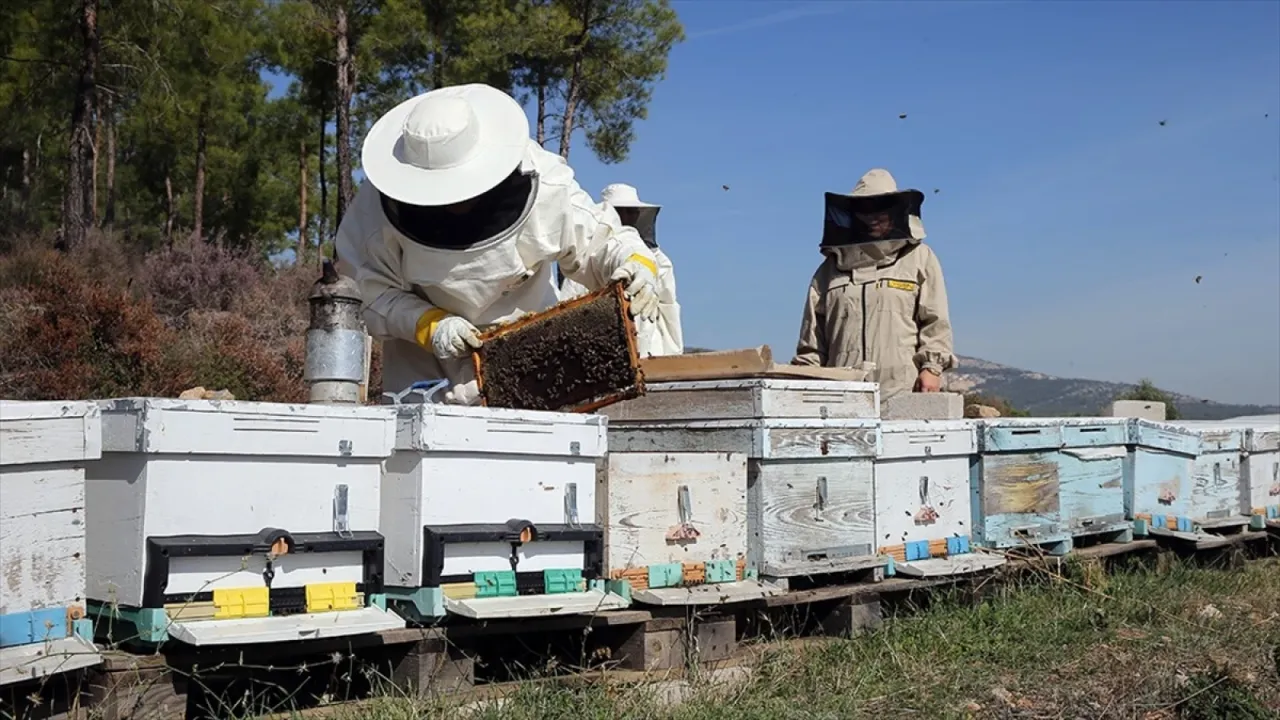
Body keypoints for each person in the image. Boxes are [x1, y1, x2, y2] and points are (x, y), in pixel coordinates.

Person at [335, 84, 661, 404]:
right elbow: (367, 291)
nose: (454, 201)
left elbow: (600, 242)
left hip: (535, 362)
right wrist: (428, 325)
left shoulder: (545, 184)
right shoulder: (374, 213)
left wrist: (637, 263)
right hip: (424, 373)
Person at [793, 168, 956, 399]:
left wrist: (932, 368)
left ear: (895, 211)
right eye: (865, 210)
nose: (873, 217)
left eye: (880, 208)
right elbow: (812, 344)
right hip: (841, 395)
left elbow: (935, 321)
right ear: (854, 214)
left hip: (903, 392)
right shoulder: (827, 272)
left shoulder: (920, 258)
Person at [559, 183, 683, 356]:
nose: (627, 216)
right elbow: (565, 313)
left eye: (632, 211)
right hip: (602, 353)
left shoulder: (659, 261)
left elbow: (669, 310)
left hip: (652, 352)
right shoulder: (587, 262)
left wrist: (672, 358)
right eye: (620, 211)